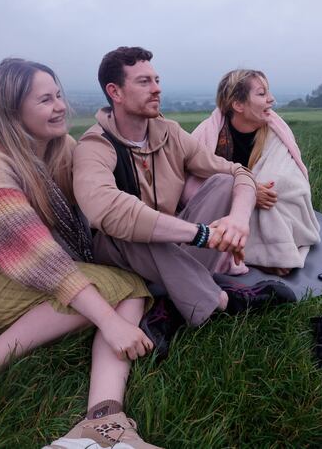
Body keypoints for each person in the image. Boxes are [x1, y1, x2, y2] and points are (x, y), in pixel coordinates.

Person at [0, 58, 161, 449]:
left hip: (28, 273)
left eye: (59, 95)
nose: (60, 106)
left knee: (127, 286)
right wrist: (109, 322)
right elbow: (38, 256)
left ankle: (104, 420)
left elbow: (105, 199)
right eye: (45, 100)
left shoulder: (62, 148)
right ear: (12, 110)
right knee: (114, 291)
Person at [72, 47, 295, 351]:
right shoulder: (94, 146)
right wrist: (202, 234)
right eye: (143, 82)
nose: (157, 88)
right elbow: (108, 211)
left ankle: (170, 304)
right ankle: (224, 299)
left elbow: (238, 173)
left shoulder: (169, 133)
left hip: (172, 246)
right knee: (132, 227)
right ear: (115, 92)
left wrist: (237, 221)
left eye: (157, 79)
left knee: (223, 183)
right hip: (120, 252)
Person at [187, 69, 320, 276]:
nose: (271, 99)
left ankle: (264, 251)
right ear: (238, 105)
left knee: (270, 197)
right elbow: (190, 182)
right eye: (261, 94)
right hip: (227, 204)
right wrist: (245, 193)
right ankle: (259, 255)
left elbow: (289, 182)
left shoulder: (277, 131)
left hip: (268, 205)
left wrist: (255, 192)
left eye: (269, 93)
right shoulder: (207, 133)